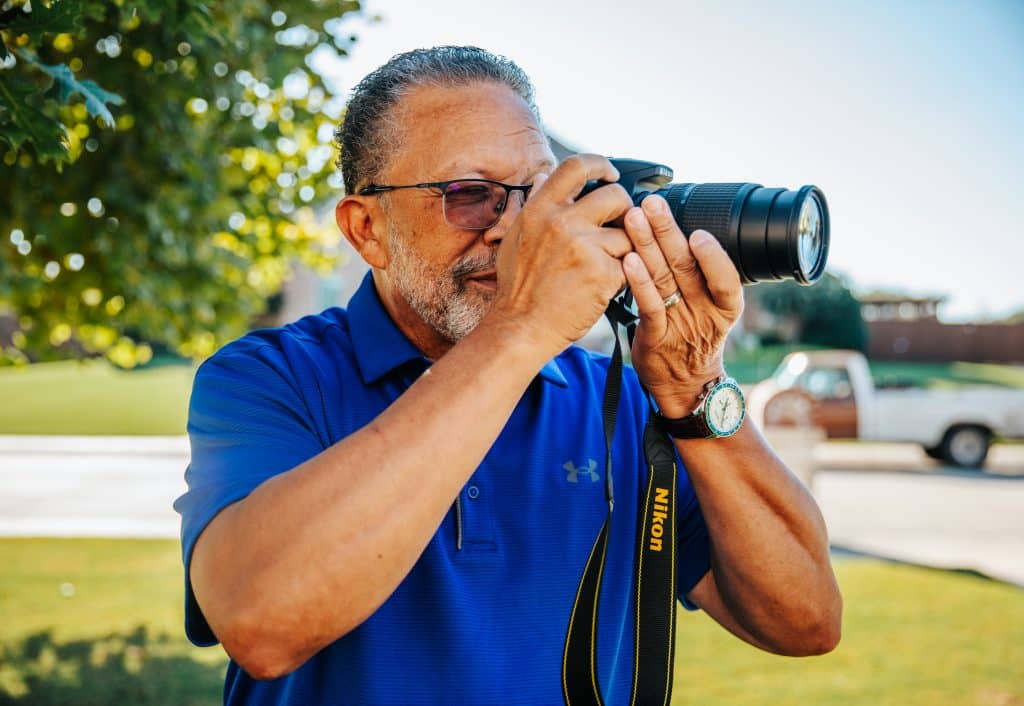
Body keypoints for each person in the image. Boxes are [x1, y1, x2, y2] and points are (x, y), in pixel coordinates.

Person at [174, 46, 842, 705]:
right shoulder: (272, 377)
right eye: (471, 196)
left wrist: (696, 393)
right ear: (366, 229)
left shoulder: (614, 401)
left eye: (541, 194)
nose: (519, 230)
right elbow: (260, 622)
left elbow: (805, 619)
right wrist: (521, 329)